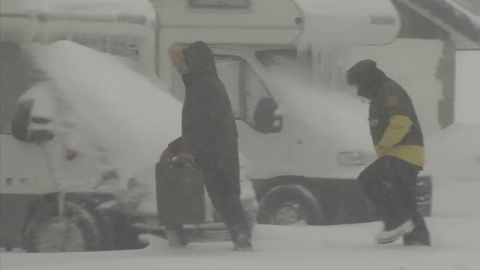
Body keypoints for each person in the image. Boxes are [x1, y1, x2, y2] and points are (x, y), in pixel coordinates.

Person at [160, 41, 252, 250]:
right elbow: (200, 124)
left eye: (178, 61)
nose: (176, 66)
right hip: (218, 150)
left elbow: (201, 123)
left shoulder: (203, 85)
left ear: (190, 61)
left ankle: (242, 239)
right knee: (227, 198)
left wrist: (185, 151)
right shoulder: (205, 83)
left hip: (215, 152)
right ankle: (242, 238)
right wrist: (177, 148)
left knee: (225, 197)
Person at [346, 59, 431, 246]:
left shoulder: (390, 91)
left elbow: (401, 122)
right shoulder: (381, 93)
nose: (358, 90)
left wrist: (384, 146)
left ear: (367, 80)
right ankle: (418, 243)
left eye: (359, 84)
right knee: (404, 200)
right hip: (403, 154)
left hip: (402, 153)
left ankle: (395, 222)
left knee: (368, 180)